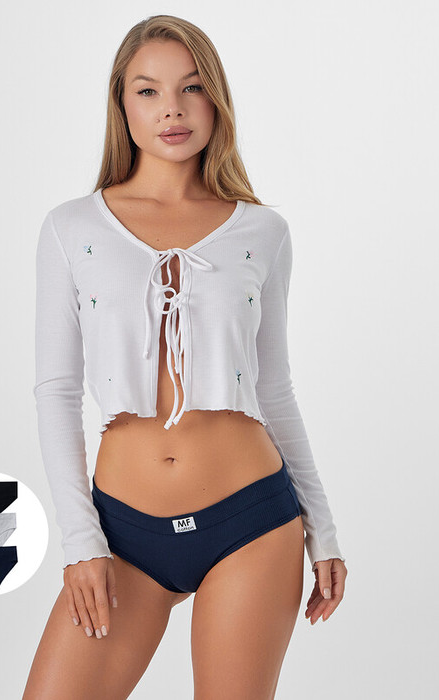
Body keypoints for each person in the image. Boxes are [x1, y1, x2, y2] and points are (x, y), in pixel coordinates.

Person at [23, 14, 347, 700]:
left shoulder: (262, 231)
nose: (171, 109)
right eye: (148, 91)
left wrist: (322, 531)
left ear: (215, 99)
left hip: (251, 523)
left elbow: (274, 389)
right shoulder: (71, 228)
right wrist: (80, 541)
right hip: (122, 532)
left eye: (191, 87)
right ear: (122, 105)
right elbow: (56, 390)